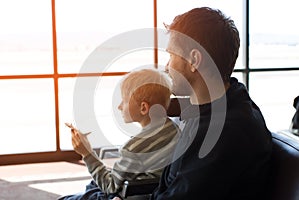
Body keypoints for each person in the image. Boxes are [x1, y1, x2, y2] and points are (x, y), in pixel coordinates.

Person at [145, 7, 273, 200]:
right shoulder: (228, 101)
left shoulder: (225, 133)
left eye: (171, 55)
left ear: (194, 60)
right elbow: (190, 108)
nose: (166, 66)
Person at [59, 68, 180, 200]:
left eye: (124, 100)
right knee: (93, 186)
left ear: (143, 108)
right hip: (154, 189)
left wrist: (87, 153)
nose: (120, 106)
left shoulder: (134, 148)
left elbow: (110, 186)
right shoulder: (173, 128)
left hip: (133, 194)